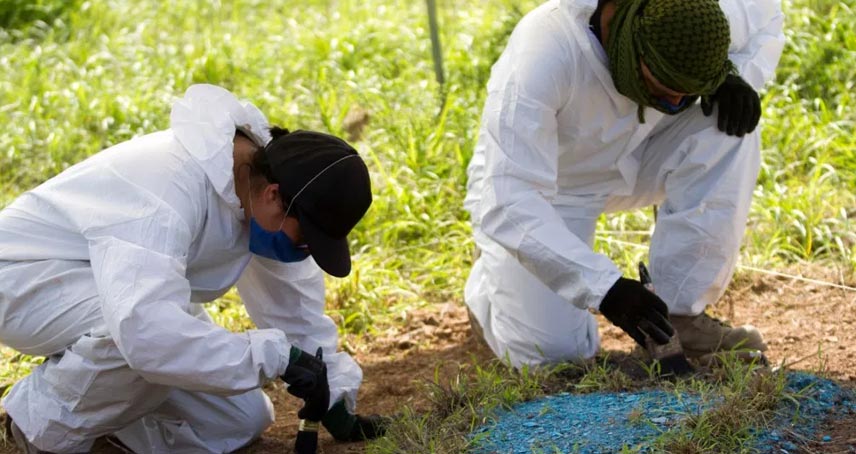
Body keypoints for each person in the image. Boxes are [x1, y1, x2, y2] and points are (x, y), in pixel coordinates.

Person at [0, 84, 386, 453]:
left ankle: (103, 418)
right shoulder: (169, 188)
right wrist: (275, 355)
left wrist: (334, 399)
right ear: (273, 196)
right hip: (23, 278)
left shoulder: (261, 183)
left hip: (115, 283)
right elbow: (147, 334)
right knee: (135, 341)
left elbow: (294, 311)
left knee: (239, 420)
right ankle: (40, 429)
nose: (303, 250)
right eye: (307, 236)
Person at [464, 0, 785, 368]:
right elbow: (510, 198)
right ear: (628, 40)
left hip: (638, 154)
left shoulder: (703, 16)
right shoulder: (546, 49)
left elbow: (768, 16)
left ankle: (680, 314)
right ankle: (489, 284)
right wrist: (607, 290)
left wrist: (734, 74)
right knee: (554, 359)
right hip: (550, 187)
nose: (676, 102)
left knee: (729, 130)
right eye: (661, 88)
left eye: (685, 96)